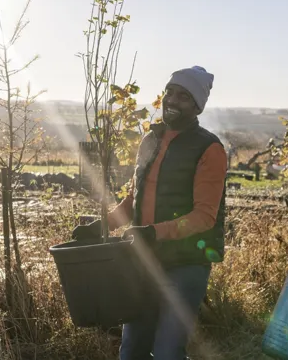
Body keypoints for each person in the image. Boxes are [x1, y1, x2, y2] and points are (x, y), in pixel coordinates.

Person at [72, 66, 228, 360]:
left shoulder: (209, 148)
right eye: (170, 92)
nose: (172, 100)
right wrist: (101, 226)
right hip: (143, 261)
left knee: (168, 351)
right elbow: (135, 200)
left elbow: (205, 216)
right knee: (132, 349)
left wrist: (154, 232)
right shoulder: (150, 141)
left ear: (197, 106)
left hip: (186, 265)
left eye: (183, 96)